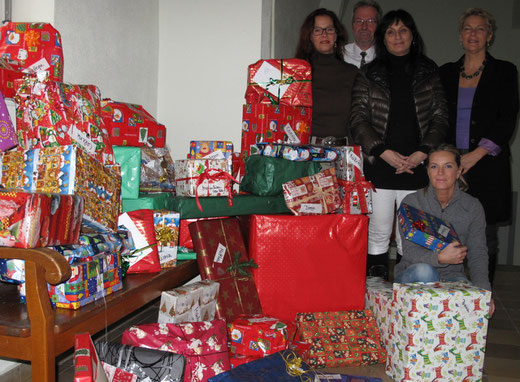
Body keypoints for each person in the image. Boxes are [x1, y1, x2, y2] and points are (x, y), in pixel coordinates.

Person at [350, 9, 448, 279]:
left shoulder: (429, 70)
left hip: (417, 166)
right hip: (380, 165)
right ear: (384, 37)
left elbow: (440, 117)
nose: (397, 36)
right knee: (379, 231)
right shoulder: (369, 73)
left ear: (412, 35)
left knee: (412, 235)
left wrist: (422, 152)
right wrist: (382, 151)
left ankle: (408, 295)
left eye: (403, 30)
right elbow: (357, 119)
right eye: (391, 31)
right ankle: (376, 292)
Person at [439, 8, 519, 285]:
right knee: (447, 231)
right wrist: (450, 159)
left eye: (480, 28)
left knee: (485, 236)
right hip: (449, 167)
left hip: (487, 164)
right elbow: (438, 119)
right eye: (468, 29)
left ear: (490, 35)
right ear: (460, 36)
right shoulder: (445, 73)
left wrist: (474, 156)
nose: (473, 34)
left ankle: (483, 296)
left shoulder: (505, 71)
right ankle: (452, 295)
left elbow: (506, 119)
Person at [394, 144, 495, 315]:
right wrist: (440, 258)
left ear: (458, 171)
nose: (440, 173)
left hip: (453, 277)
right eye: (434, 166)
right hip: (413, 274)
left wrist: (485, 294)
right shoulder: (412, 202)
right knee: (425, 271)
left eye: (448, 166)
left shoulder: (472, 206)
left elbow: (478, 253)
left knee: (470, 302)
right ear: (428, 171)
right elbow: (410, 252)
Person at [296, 8, 359, 144]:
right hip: (308, 155)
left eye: (329, 29)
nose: (324, 35)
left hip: (344, 154)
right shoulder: (299, 73)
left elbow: (358, 119)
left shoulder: (352, 73)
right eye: (318, 30)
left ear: (336, 35)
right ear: (310, 37)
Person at [344, 0, 382, 68]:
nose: (364, 27)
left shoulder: (387, 57)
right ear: (352, 25)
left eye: (370, 21)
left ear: (378, 26)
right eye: (359, 21)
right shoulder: (339, 56)